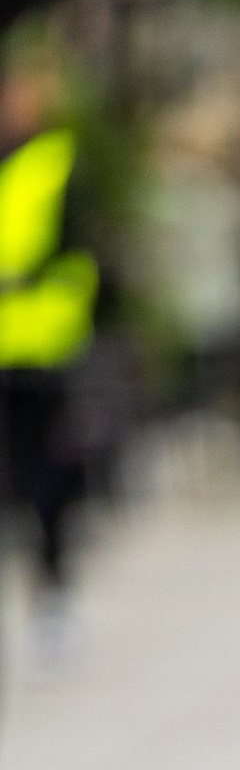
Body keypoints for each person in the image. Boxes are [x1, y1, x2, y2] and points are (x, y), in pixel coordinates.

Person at [0, 53, 105, 680]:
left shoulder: (58, 164)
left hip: (47, 348)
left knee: (50, 478)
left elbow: (84, 256)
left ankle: (54, 592)